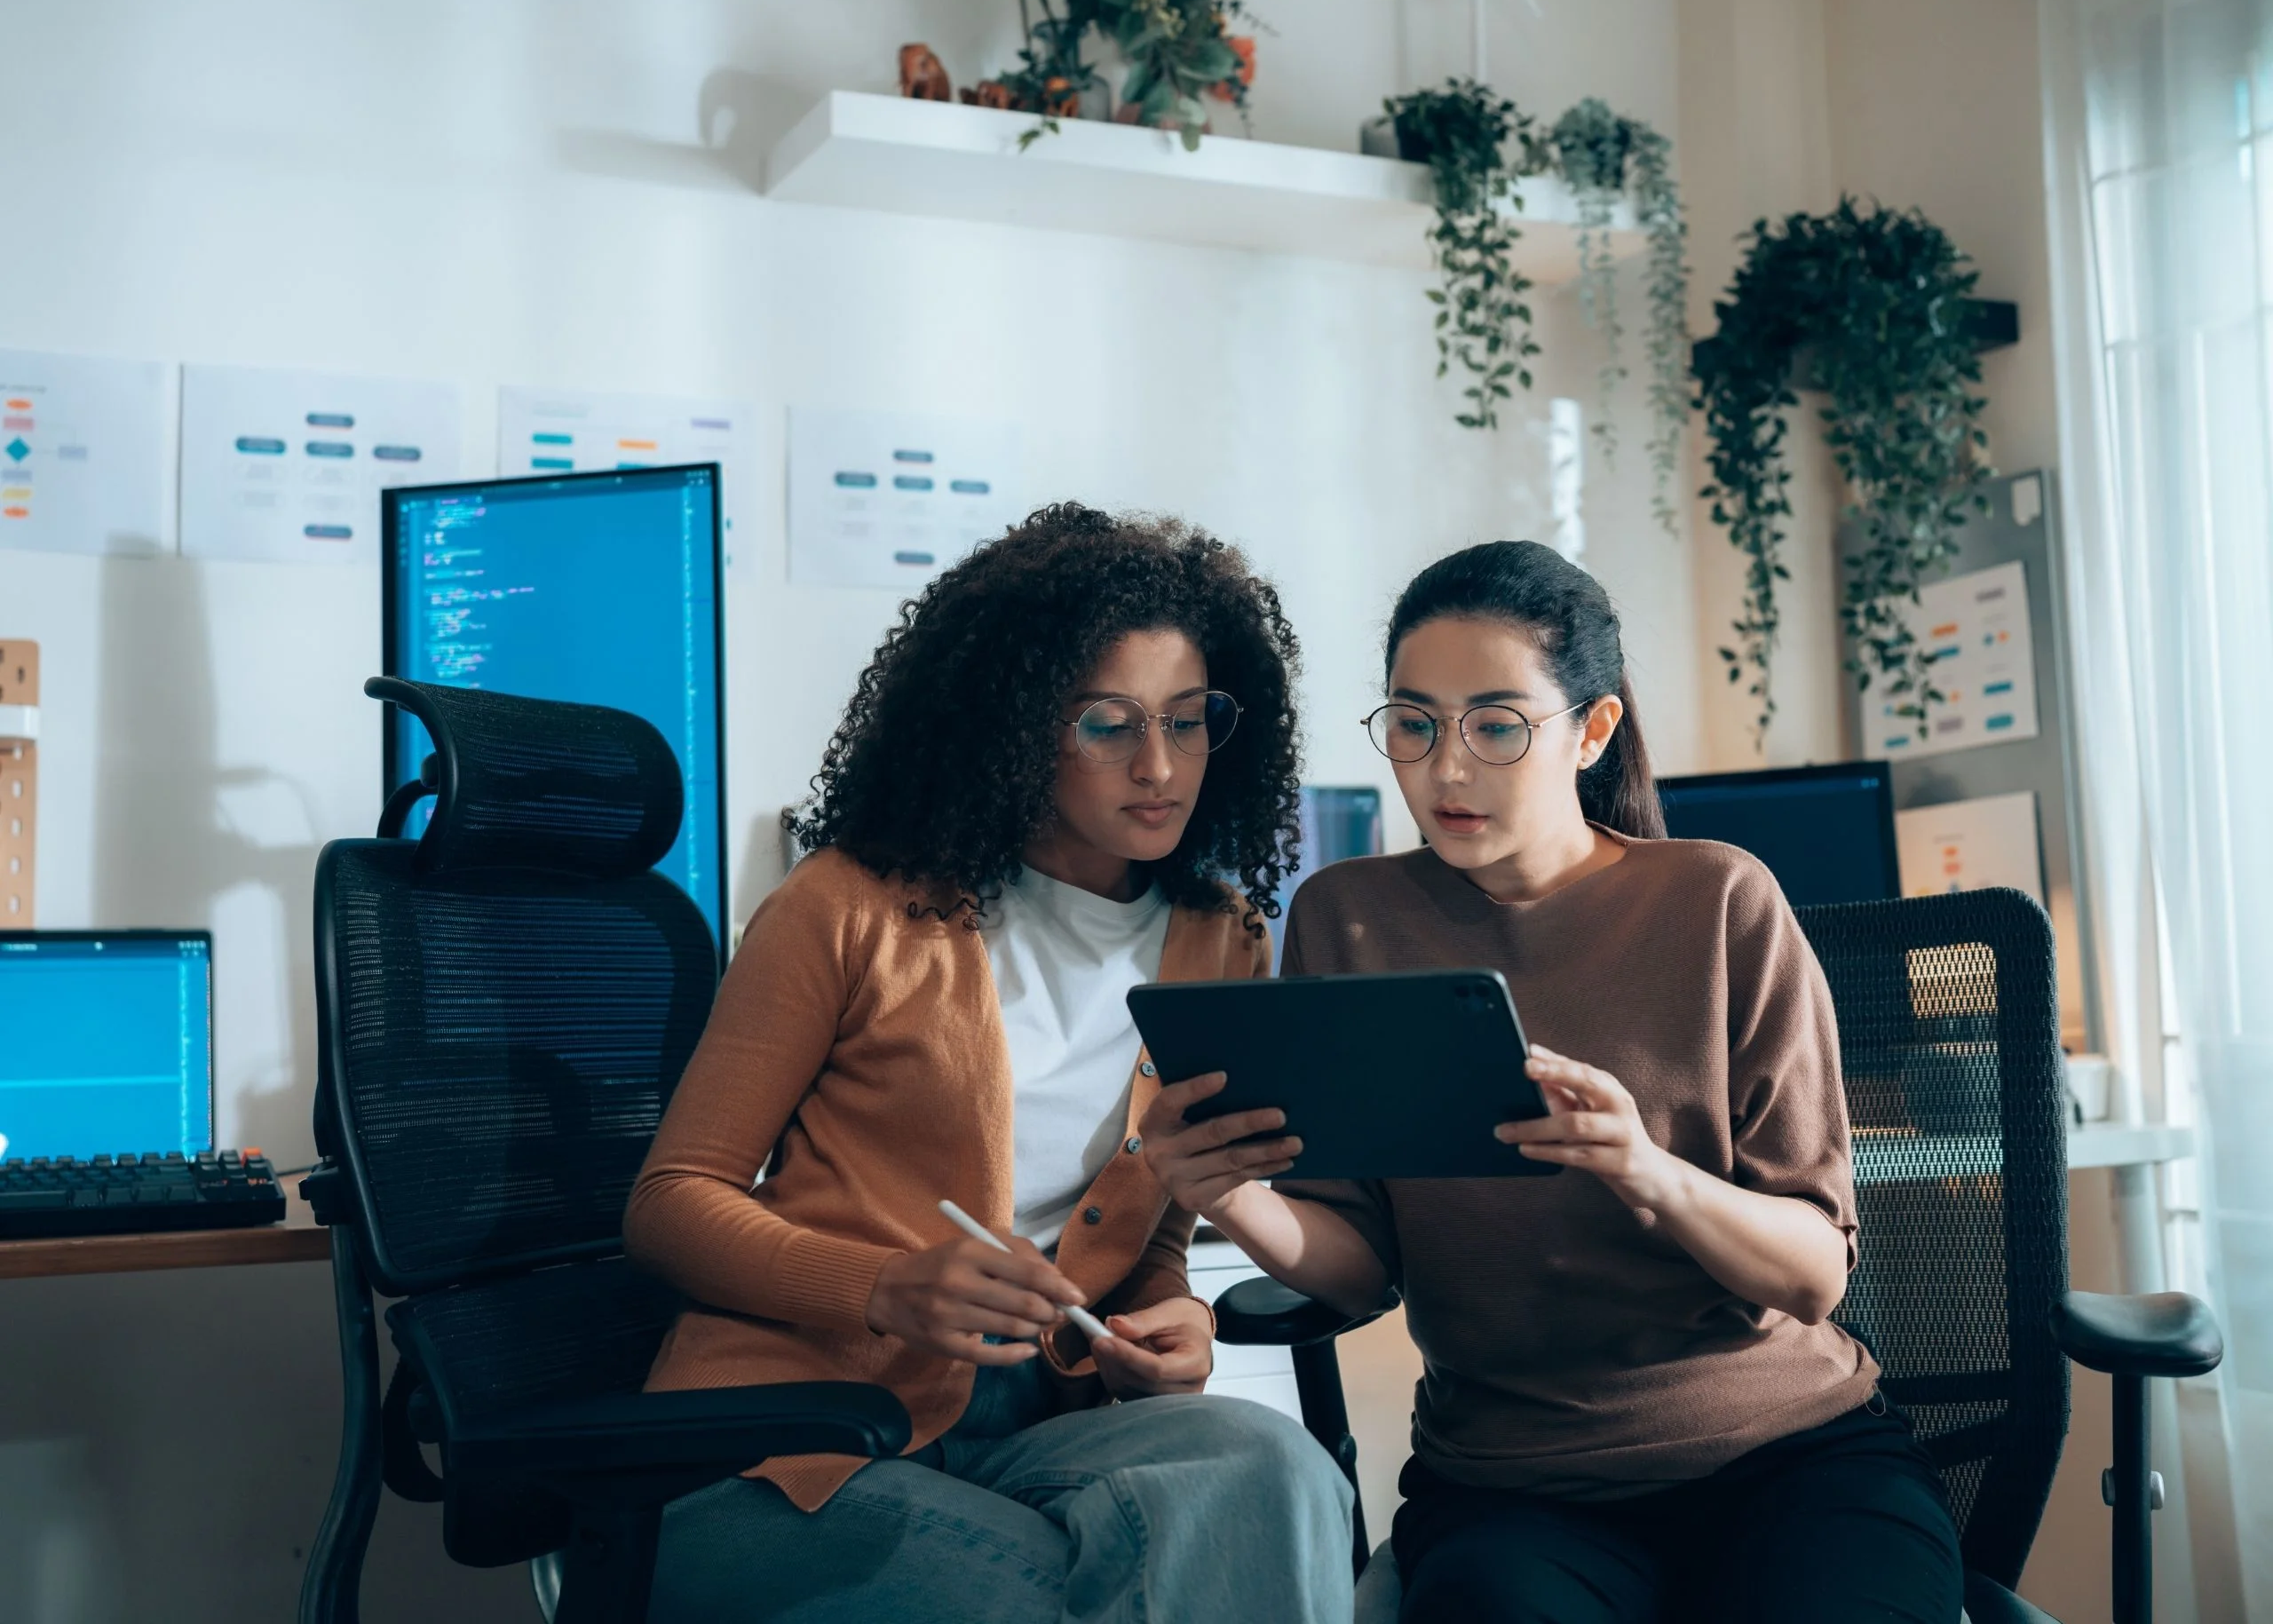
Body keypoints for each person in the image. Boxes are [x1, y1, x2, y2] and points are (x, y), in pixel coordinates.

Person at [1140, 540, 1963, 1624]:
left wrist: (1647, 1172)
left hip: (1790, 1460)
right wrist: (1230, 1198)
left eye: (1495, 725)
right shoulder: (1348, 919)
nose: (1444, 770)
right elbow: (1359, 1272)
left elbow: (1813, 1276)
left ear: (1592, 729)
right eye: (1414, 723)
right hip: (1511, 1491)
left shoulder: (1719, 901)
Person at [625, 504, 1354, 1624]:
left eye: (1189, 719)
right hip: (784, 1448)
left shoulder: (1221, 937)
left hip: (1034, 1436)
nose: (1159, 766)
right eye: (1107, 724)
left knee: (1277, 1475)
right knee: (1094, 1596)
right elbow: (671, 1205)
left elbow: (1151, 1218)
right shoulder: (848, 905)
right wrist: (881, 1287)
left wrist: (1174, 1324)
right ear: (1013, 726)